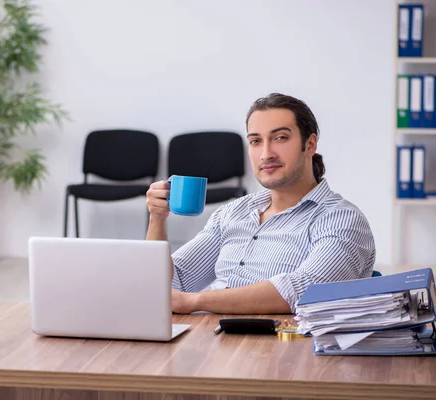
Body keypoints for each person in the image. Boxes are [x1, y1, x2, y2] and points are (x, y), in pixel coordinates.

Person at [146, 93, 376, 315]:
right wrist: (157, 219)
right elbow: (174, 281)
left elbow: (308, 290)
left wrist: (197, 301)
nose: (266, 154)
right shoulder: (232, 213)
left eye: (280, 138)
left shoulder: (342, 219)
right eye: (256, 141)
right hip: (214, 341)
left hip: (283, 346)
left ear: (310, 144)